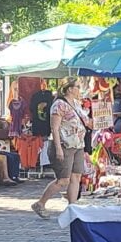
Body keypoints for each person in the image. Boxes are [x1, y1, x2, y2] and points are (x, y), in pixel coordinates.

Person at [31, 77, 88, 217]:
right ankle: (40, 203)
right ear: (69, 89)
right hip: (65, 145)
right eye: (77, 87)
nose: (79, 90)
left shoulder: (76, 103)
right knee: (63, 180)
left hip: (78, 144)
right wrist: (58, 148)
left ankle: (72, 208)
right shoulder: (59, 105)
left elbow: (85, 121)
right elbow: (54, 128)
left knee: (76, 176)